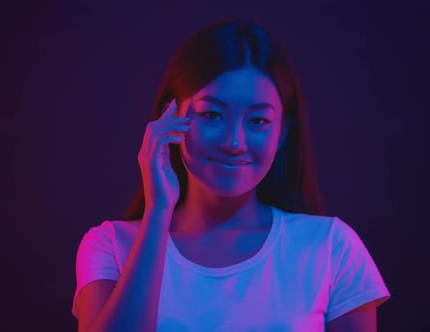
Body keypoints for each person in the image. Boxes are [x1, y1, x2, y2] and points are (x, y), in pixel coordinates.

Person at [72, 18, 390, 332]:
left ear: (282, 133)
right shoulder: (108, 245)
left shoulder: (331, 247)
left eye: (257, 121)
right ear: (169, 118)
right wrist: (158, 213)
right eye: (212, 115)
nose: (234, 143)